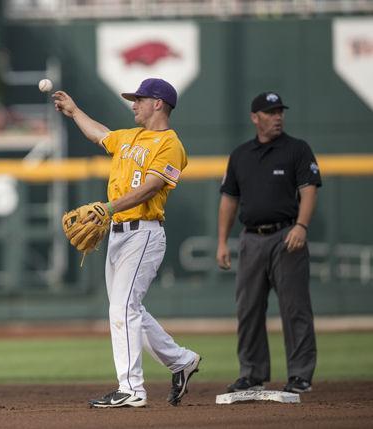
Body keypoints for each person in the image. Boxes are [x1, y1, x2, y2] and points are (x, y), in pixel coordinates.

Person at [53, 78, 201, 408]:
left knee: (122, 308)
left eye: (140, 99)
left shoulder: (170, 144)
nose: (133, 104)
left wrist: (107, 207)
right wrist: (74, 111)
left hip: (144, 232)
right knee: (128, 308)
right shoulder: (130, 137)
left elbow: (150, 187)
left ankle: (132, 388)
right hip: (118, 233)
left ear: (158, 104)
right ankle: (181, 361)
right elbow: (100, 134)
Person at [217, 91, 320, 394]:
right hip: (251, 238)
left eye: (280, 112)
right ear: (255, 117)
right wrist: (222, 241)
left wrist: (301, 226)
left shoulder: (296, 149)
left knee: (295, 308)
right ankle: (252, 372)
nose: (277, 117)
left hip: (286, 235)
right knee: (248, 308)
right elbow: (228, 199)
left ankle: (300, 374)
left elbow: (310, 189)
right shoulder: (240, 155)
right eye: (271, 112)